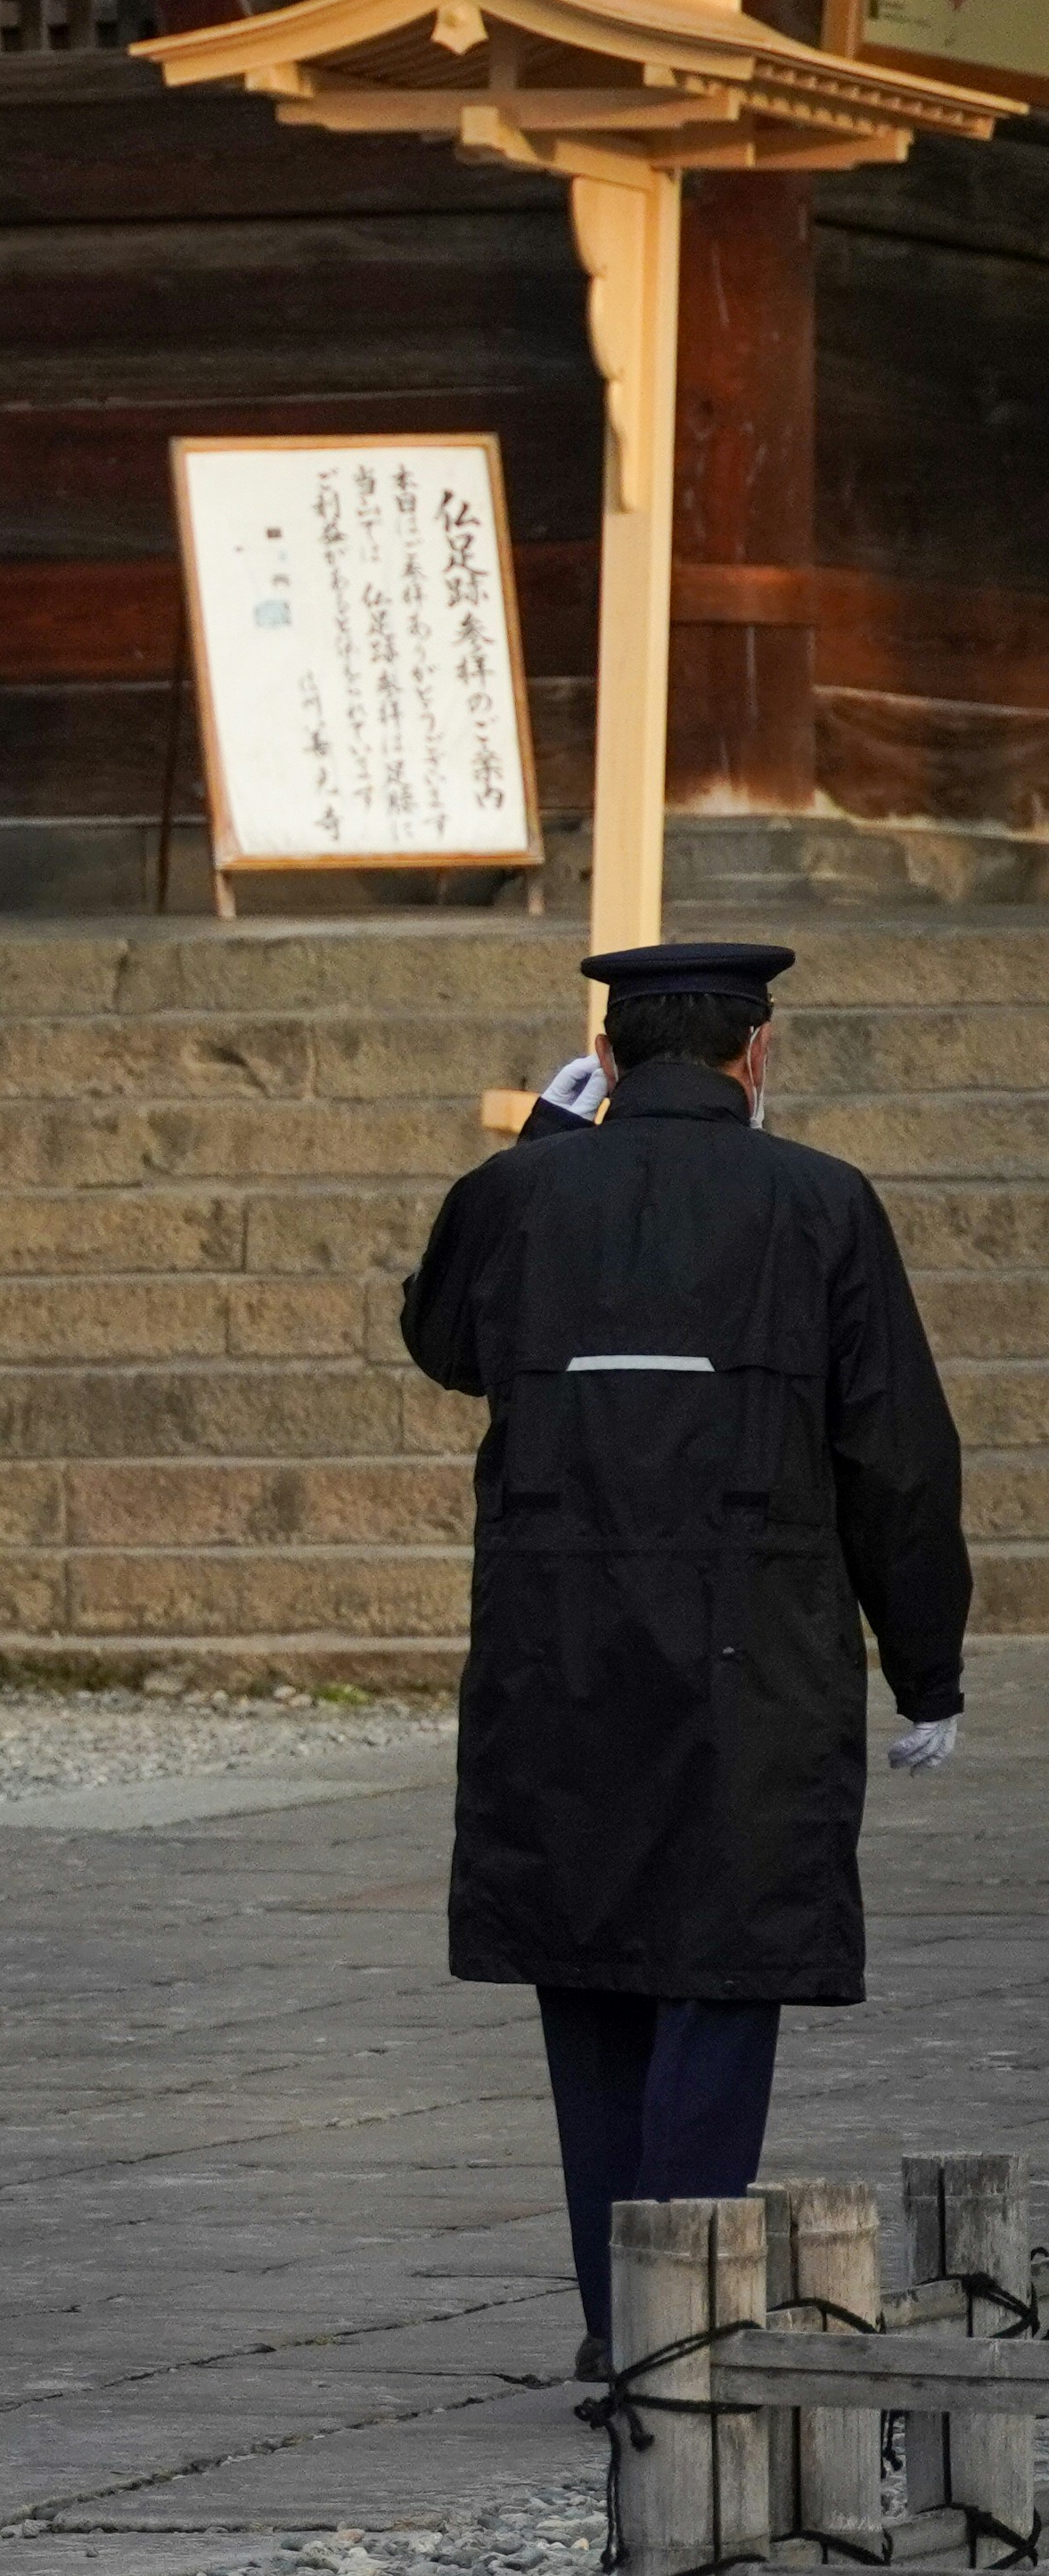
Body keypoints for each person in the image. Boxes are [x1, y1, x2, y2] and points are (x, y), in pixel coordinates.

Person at [398, 939, 969, 2381]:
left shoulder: (518, 1194)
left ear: (615, 1047)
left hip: (557, 1644)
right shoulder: (822, 1202)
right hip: (752, 1645)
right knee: (721, 1966)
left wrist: (541, 1140)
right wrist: (930, 1667)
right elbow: (894, 1453)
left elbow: (445, 1343)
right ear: (753, 1053)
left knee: (586, 1970)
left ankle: (615, 2318)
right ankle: (688, 2325)